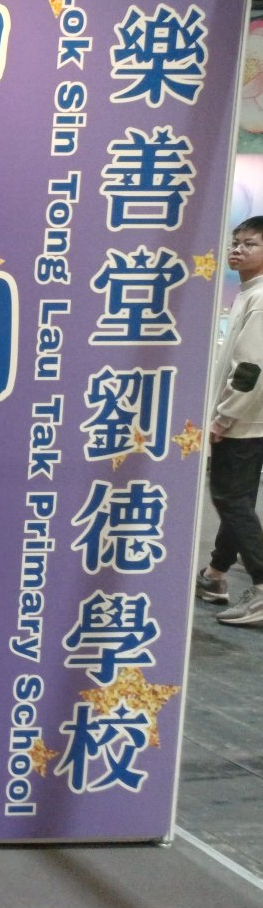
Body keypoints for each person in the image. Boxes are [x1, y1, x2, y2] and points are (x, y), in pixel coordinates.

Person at [200, 217, 263, 625]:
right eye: (235, 242)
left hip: (244, 421)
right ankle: (215, 575)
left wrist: (224, 418)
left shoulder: (260, 299)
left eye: (250, 244)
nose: (237, 249)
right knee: (236, 498)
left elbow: (251, 369)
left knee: (231, 499)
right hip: (250, 419)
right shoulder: (249, 293)